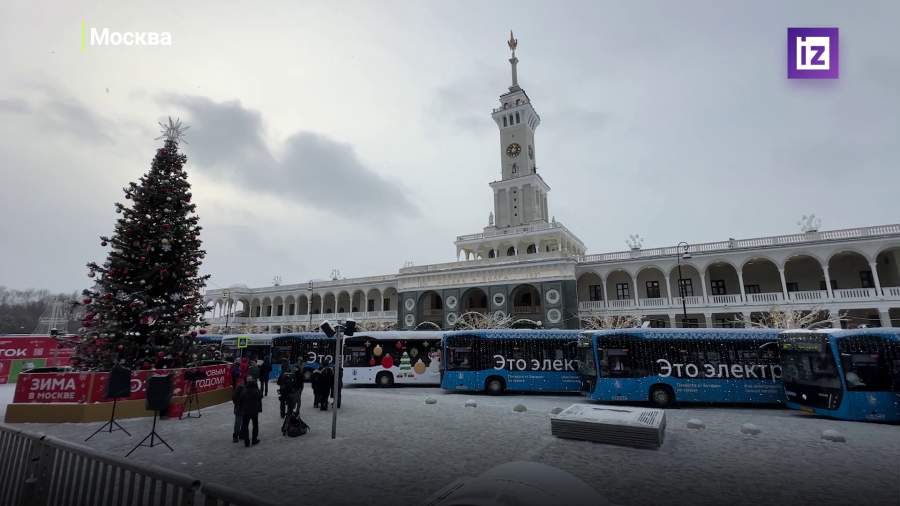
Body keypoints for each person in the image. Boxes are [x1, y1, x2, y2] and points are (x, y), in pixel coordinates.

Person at [238, 377, 263, 447]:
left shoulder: (244, 390)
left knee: (245, 426)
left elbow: (240, 400)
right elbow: (261, 396)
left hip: (246, 411)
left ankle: (247, 442)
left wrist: (241, 408)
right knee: (255, 425)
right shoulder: (256, 390)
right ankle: (254, 439)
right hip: (255, 411)